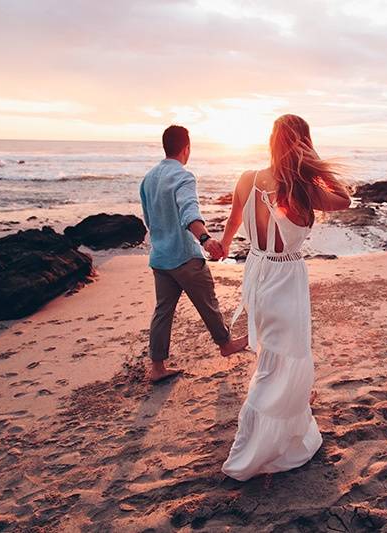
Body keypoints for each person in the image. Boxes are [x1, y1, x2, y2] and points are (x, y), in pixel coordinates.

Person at [218, 114, 352, 480]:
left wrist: (222, 248)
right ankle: (251, 452)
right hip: (286, 276)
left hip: (257, 271)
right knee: (286, 358)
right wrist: (316, 162)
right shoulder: (302, 187)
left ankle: (277, 434)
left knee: (271, 357)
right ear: (303, 142)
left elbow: (230, 226)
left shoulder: (247, 179)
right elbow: (344, 200)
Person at [139, 125, 247, 383]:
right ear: (186, 148)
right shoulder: (183, 177)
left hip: (160, 258)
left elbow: (148, 219)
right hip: (184, 257)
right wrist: (206, 239)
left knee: (163, 311)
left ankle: (157, 366)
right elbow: (189, 212)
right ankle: (226, 345)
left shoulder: (148, 179)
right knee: (208, 302)